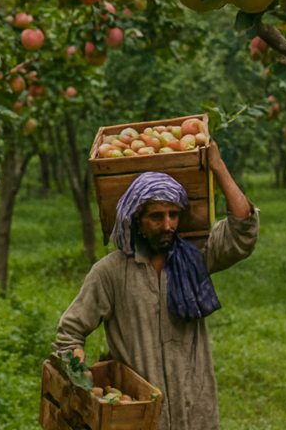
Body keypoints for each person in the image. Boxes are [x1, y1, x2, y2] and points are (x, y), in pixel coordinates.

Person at [52, 142, 258, 430]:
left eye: (173, 215)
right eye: (156, 217)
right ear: (137, 220)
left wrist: (217, 166)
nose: (167, 225)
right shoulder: (111, 272)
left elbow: (243, 229)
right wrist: (83, 381)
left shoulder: (194, 257)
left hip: (194, 409)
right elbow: (70, 332)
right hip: (141, 417)